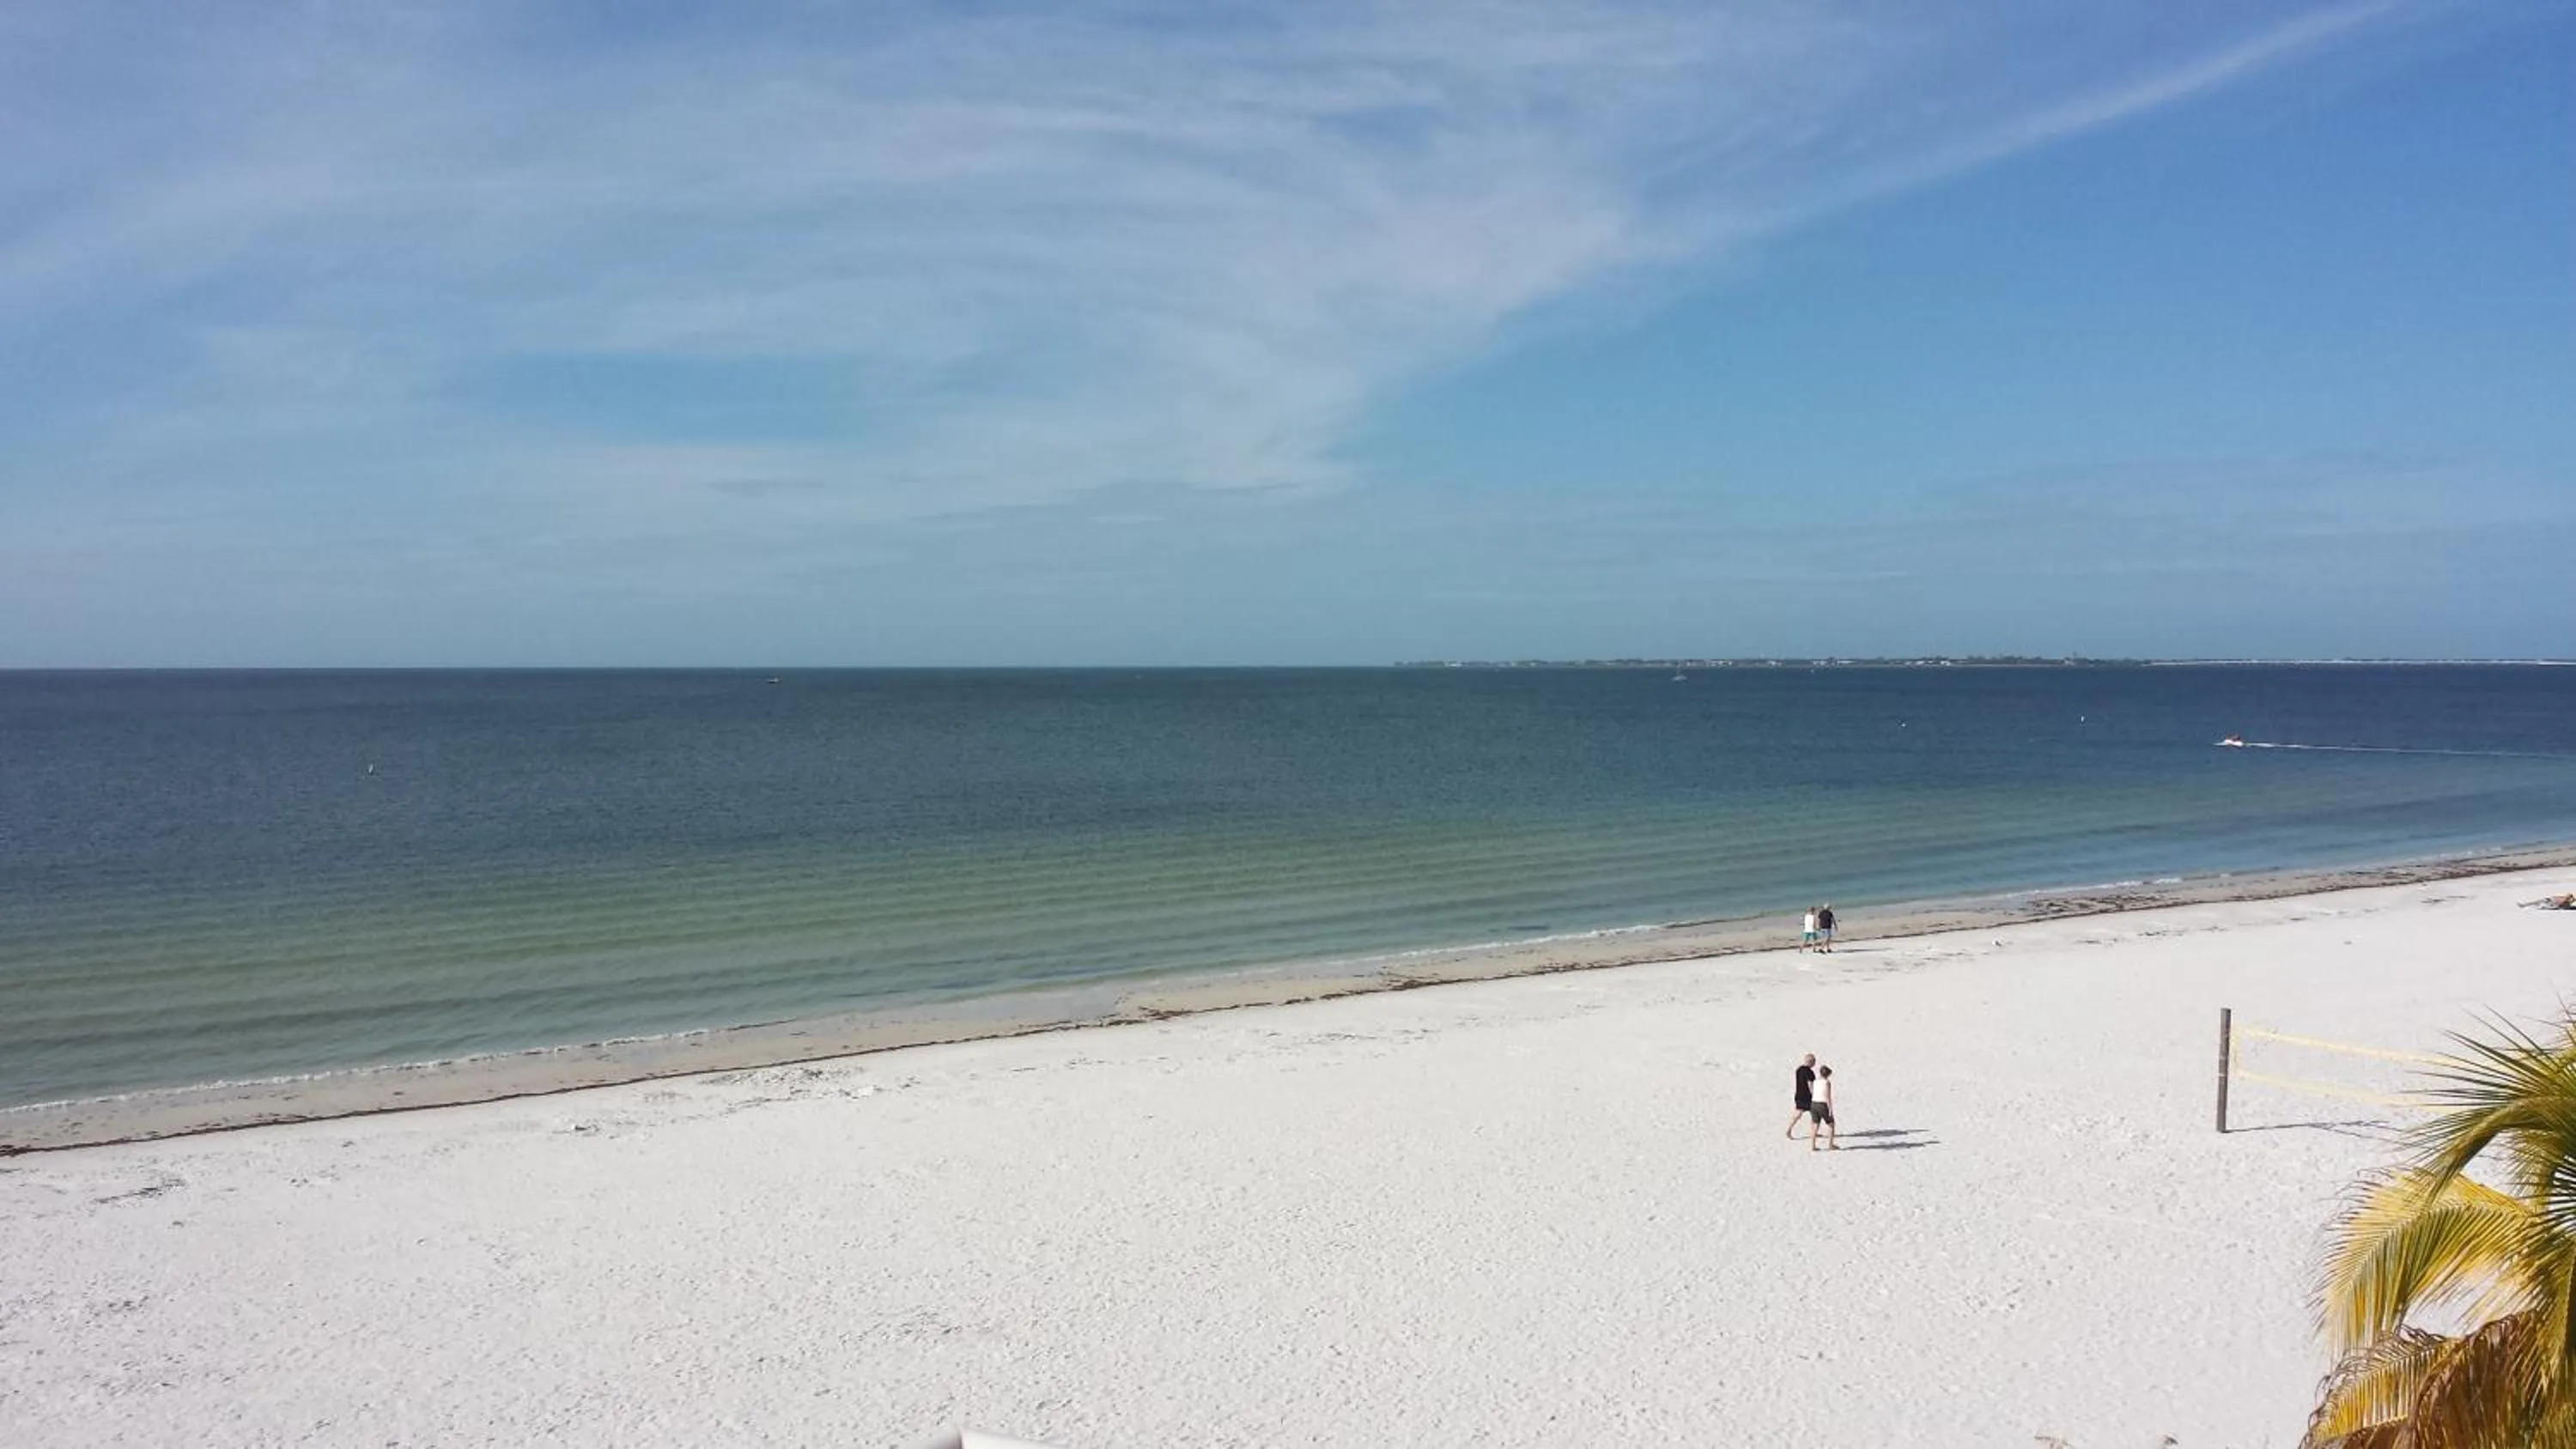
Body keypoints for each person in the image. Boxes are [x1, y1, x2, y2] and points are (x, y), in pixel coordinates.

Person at [1785, 1052, 1816, 1139]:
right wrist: (1814, 1095)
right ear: (1812, 1062)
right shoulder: (1810, 1072)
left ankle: (1789, 1129)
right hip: (1807, 1097)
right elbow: (1810, 1084)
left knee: (1797, 1114)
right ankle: (1813, 1132)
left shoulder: (1799, 1069)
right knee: (1814, 1114)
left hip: (1799, 1095)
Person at [1809, 1064, 1839, 1151]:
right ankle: (1830, 1145)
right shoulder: (1827, 1082)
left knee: (1815, 1125)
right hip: (1822, 1105)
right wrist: (1830, 1110)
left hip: (1814, 1103)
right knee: (1831, 1125)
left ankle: (1813, 1146)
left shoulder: (1815, 1081)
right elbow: (1827, 1096)